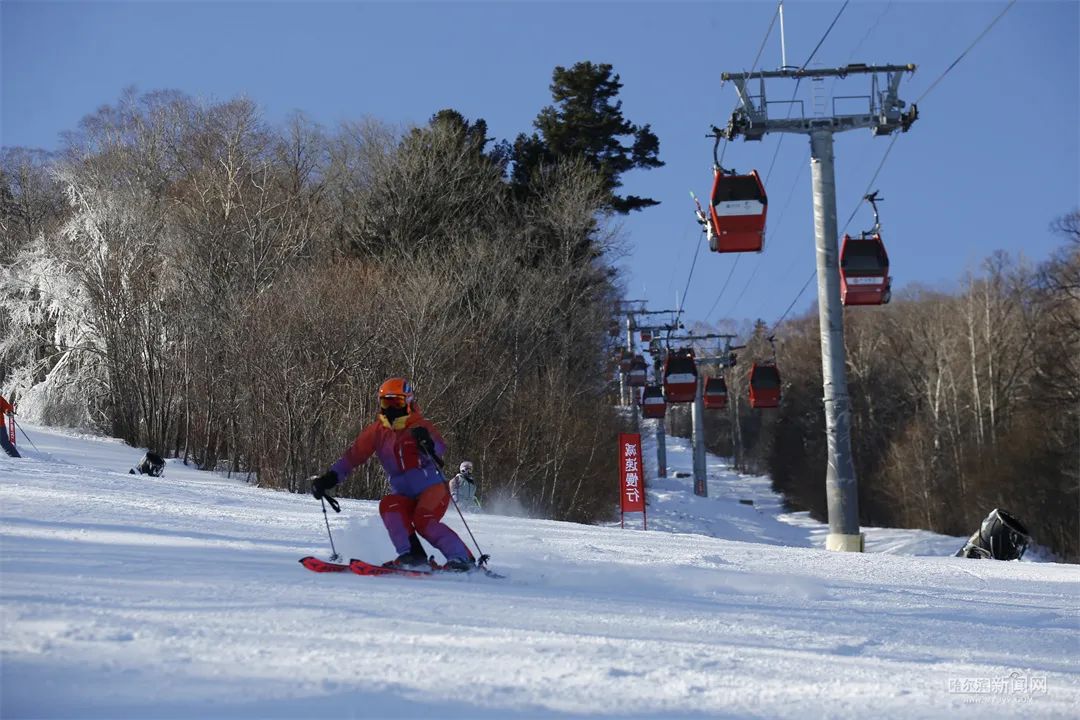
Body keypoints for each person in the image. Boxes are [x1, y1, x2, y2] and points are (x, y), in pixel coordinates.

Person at [311, 378, 474, 571]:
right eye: (386, 403)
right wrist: (329, 479)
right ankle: (413, 556)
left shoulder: (419, 426)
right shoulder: (377, 432)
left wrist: (427, 443)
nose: (390, 409)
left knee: (423, 520)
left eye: (396, 403)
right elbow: (353, 457)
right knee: (390, 506)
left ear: (408, 403)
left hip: (433, 489)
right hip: (405, 494)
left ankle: (462, 558)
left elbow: (439, 447)